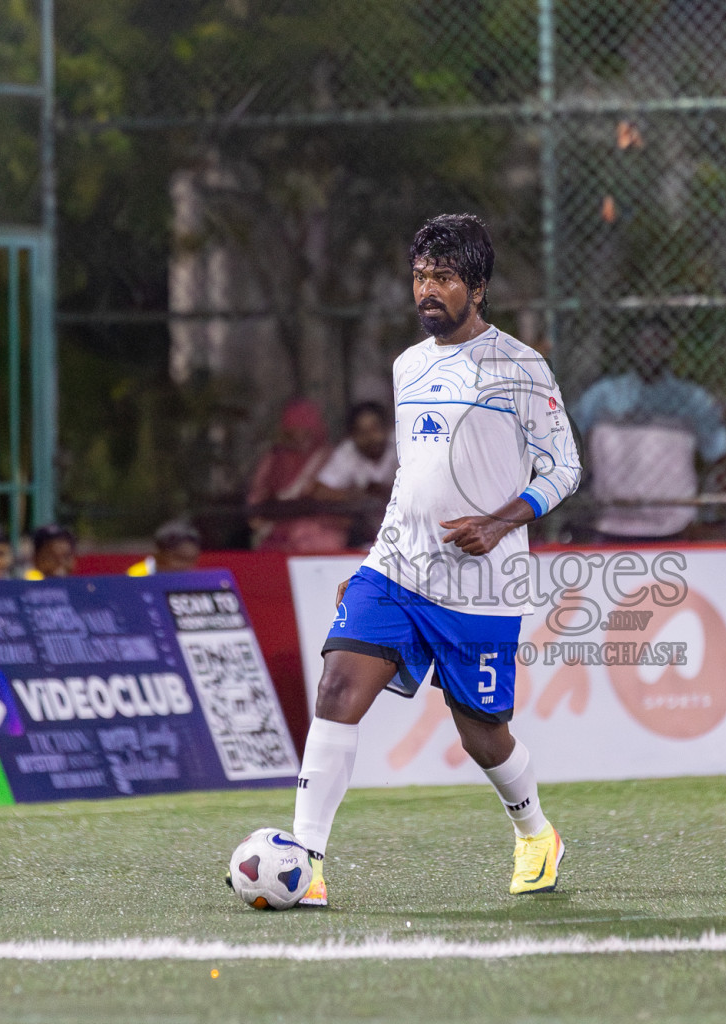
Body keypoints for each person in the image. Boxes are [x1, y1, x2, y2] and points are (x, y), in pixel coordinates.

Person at [256, 213, 581, 907]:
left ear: (479, 287)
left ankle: (535, 833)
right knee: (338, 688)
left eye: (444, 278)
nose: (427, 290)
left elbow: (565, 468)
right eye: (420, 277)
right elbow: (412, 475)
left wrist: (498, 523)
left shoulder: (521, 367)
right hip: (400, 573)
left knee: (481, 733)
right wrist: (377, 556)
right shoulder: (409, 365)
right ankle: (306, 861)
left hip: (483, 586)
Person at [571, 315, 726, 540]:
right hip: (610, 524)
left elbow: (721, 457)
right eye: (643, 342)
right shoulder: (603, 396)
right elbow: (567, 442)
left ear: (670, 348)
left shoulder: (691, 400)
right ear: (631, 348)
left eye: (658, 342)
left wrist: (713, 518)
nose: (650, 350)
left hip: (676, 527)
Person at [246, 399, 348, 553]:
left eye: (305, 428)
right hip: (275, 537)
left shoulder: (329, 458)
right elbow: (257, 497)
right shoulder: (273, 459)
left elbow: (341, 500)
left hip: (320, 536)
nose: (299, 434)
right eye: (293, 429)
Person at [311, 401, 398, 546]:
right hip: (364, 530)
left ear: (387, 429)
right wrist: (357, 495)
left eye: (374, 428)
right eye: (362, 432)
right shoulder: (347, 452)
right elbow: (319, 491)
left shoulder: (401, 443)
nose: (370, 437)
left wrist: (388, 491)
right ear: (352, 435)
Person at [128, 520, 201, 576]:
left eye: (191, 559)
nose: (185, 566)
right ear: (158, 555)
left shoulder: (195, 580)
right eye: (180, 558)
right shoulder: (137, 575)